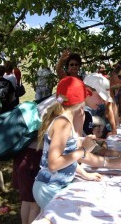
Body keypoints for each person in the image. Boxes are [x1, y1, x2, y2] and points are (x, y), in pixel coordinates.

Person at [32, 76, 103, 209]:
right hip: (49, 188)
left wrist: (85, 174)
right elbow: (53, 164)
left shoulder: (65, 121)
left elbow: (66, 158)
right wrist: (83, 150)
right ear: (81, 101)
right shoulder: (63, 123)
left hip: (55, 186)